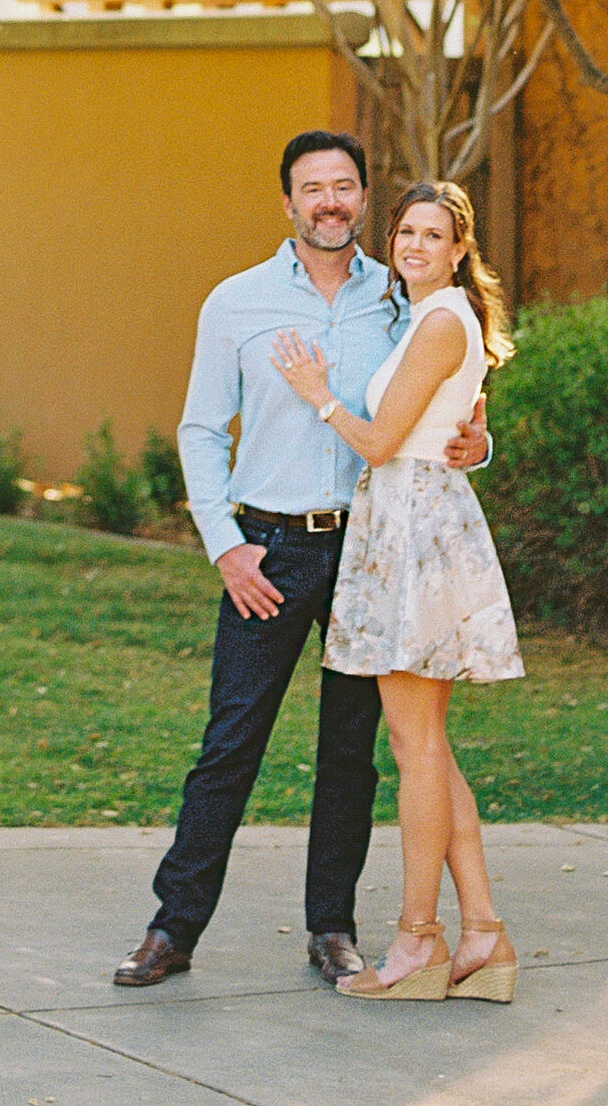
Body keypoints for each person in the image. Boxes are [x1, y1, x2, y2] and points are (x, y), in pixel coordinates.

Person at [112, 131, 490, 995]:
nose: (329, 201)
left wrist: (479, 443)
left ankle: (333, 928)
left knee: (351, 750)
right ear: (287, 202)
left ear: (364, 200)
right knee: (230, 742)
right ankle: (173, 928)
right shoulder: (235, 302)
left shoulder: (403, 299)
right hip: (269, 548)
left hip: (370, 546)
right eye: (312, 188)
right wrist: (227, 546)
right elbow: (201, 430)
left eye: (345, 186)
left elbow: (442, 405)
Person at [274, 175, 524, 1003]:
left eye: (432, 234)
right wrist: (475, 438)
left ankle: (419, 942)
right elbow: (439, 427)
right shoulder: (432, 317)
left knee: (415, 746)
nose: (414, 245)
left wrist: (317, 398)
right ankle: (482, 933)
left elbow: (381, 442)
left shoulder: (442, 318)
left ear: (459, 249)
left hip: (412, 532)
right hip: (408, 524)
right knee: (428, 745)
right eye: (405, 233)